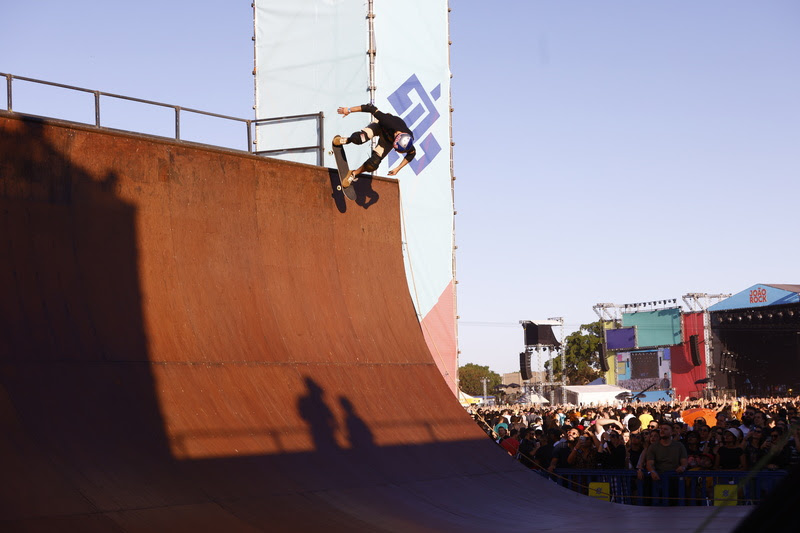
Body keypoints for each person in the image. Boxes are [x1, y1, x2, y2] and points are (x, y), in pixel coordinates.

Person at [334, 104, 416, 187]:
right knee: (358, 138)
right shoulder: (387, 121)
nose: (395, 151)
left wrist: (398, 168)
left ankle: (353, 173)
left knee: (372, 164)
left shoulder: (408, 142)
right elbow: (370, 108)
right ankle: (347, 140)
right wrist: (348, 110)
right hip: (380, 126)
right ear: (396, 138)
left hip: (387, 141)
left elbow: (412, 154)